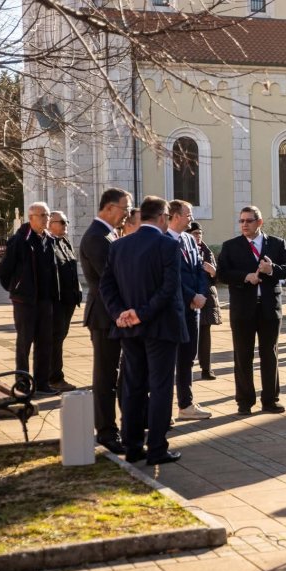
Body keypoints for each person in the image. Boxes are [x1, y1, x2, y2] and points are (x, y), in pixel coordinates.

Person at [100, 196, 189, 466]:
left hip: (129, 328)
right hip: (160, 327)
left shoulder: (119, 246)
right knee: (161, 387)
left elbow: (107, 286)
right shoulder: (167, 245)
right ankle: (157, 449)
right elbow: (168, 288)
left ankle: (133, 445)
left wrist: (120, 314)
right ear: (162, 217)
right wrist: (141, 313)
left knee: (133, 387)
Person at [218, 205, 286, 416]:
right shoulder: (231, 246)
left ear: (259, 223)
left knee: (269, 354)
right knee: (243, 355)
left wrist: (272, 270)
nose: (244, 224)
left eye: (249, 221)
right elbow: (222, 274)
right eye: (241, 221)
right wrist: (245, 277)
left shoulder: (277, 244)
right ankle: (244, 401)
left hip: (270, 307)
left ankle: (270, 400)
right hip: (242, 309)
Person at [79, 187, 132, 454]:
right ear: (109, 208)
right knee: (105, 376)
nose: (127, 214)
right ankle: (106, 431)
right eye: (125, 208)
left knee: (118, 373)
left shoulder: (109, 234)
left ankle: (121, 425)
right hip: (104, 316)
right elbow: (110, 280)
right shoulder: (97, 237)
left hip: (114, 315)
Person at [0, 202, 56, 396]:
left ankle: (42, 382)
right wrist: (16, 288)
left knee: (45, 342)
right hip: (25, 302)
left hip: (45, 300)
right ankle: (22, 383)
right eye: (42, 215)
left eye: (47, 215)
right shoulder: (20, 240)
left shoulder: (49, 239)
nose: (46, 219)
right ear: (30, 218)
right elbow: (3, 270)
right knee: (25, 343)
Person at [165, 200, 210, 421]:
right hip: (173, 310)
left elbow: (198, 269)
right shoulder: (162, 241)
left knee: (188, 357)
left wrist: (201, 295)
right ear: (174, 216)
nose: (191, 218)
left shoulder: (189, 240)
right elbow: (171, 278)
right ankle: (161, 407)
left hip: (194, 309)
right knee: (167, 360)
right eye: (188, 214)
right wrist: (191, 295)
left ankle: (186, 404)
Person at [47, 211, 81, 393]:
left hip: (69, 300)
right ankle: (54, 378)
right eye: (61, 222)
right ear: (50, 224)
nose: (65, 224)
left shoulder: (64, 242)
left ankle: (52, 375)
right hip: (56, 301)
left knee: (60, 337)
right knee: (55, 339)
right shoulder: (47, 244)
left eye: (66, 221)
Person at [188, 222, 221, 380]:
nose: (198, 236)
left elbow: (218, 277)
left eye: (200, 233)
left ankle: (206, 369)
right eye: (195, 233)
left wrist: (213, 272)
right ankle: (186, 367)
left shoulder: (206, 251)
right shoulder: (183, 250)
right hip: (190, 298)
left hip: (207, 297)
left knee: (205, 336)